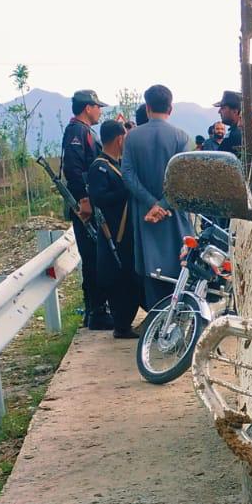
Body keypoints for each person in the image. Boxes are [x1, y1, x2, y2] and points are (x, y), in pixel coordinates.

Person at [122, 84, 194, 309]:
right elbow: (184, 180)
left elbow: (128, 174)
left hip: (146, 218)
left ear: (148, 107)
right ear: (170, 108)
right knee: (181, 271)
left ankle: (156, 327)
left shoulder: (132, 138)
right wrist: (164, 204)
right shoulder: (181, 137)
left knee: (152, 276)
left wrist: (151, 204)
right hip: (174, 217)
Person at [86, 119, 143, 339]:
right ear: (120, 139)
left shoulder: (115, 165)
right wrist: (126, 192)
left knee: (129, 278)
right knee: (118, 280)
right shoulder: (99, 167)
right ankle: (121, 325)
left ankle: (125, 323)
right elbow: (99, 198)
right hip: (113, 233)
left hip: (125, 232)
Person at [61, 89, 111, 330]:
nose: (99, 111)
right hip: (86, 207)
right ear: (87, 107)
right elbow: (73, 168)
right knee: (93, 258)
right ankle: (96, 311)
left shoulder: (85, 131)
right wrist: (84, 199)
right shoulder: (77, 132)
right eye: (97, 106)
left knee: (96, 257)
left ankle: (97, 308)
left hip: (91, 205)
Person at [216, 90, 245, 158]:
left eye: (223, 108)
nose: (219, 111)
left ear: (235, 111)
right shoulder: (233, 132)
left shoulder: (238, 135)